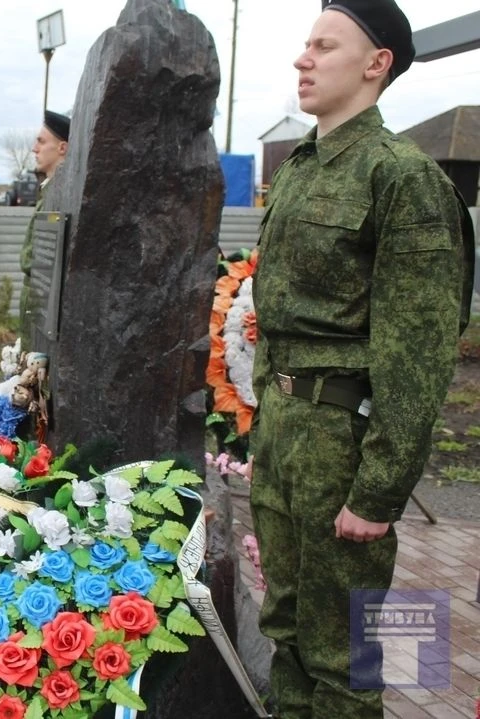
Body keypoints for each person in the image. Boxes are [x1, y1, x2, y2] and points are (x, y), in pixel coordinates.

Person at [250, 1, 475, 717]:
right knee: (286, 633)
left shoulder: (403, 177)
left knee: (347, 656)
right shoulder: (300, 168)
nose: (303, 58)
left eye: (325, 45)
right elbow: (276, 319)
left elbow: (418, 351)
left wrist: (378, 490)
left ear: (377, 63)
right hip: (284, 435)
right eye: (305, 43)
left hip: (342, 444)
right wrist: (263, 428)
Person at [19, 110, 70, 346]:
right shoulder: (48, 192)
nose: (34, 148)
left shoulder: (60, 196)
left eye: (41, 141)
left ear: (62, 148)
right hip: (36, 302)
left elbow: (29, 259)